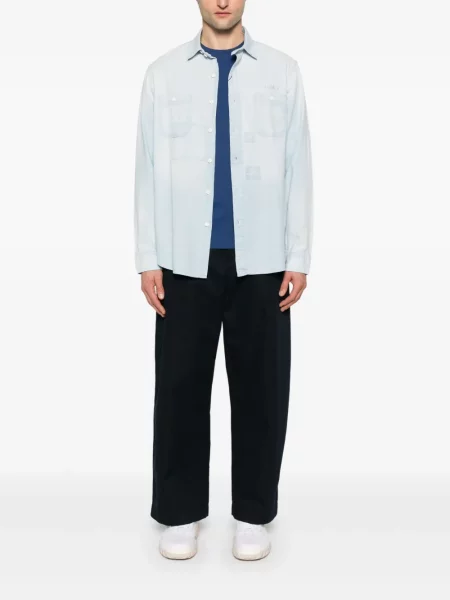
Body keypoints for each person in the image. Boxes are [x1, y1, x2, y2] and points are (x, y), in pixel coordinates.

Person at [133, 0, 313, 561]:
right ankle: (179, 511)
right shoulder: (163, 74)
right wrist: (147, 257)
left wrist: (298, 254)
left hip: (263, 259)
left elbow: (299, 166)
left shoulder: (282, 71)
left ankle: (254, 515)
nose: (222, 1)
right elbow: (145, 169)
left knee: (261, 390)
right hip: (183, 258)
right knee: (180, 387)